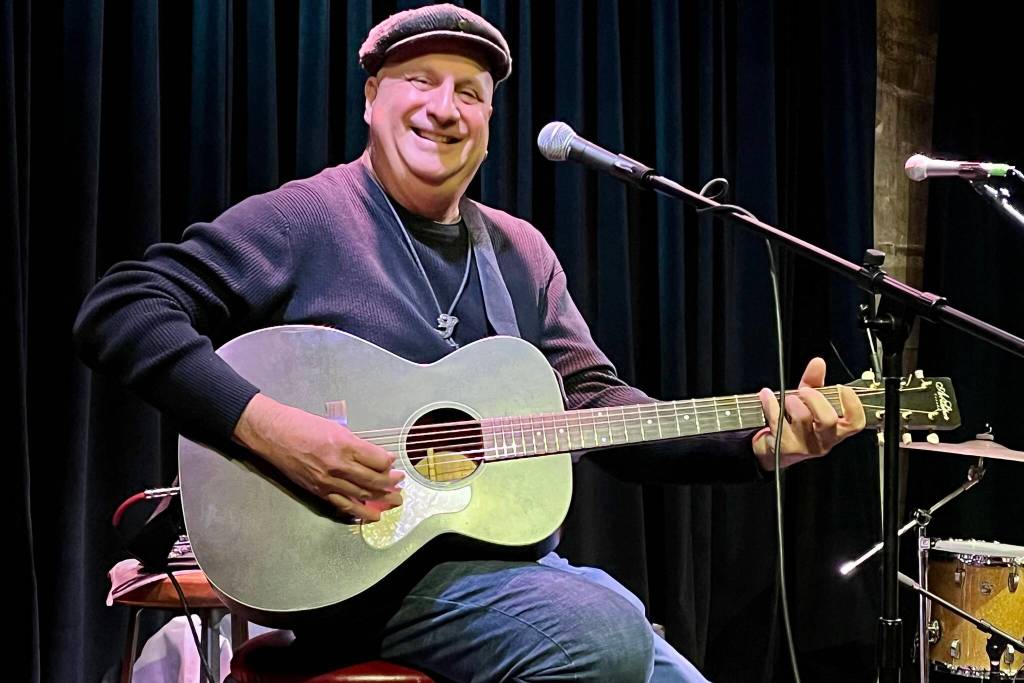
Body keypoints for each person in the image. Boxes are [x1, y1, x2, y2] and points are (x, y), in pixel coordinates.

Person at [74, 5, 865, 681]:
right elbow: (122, 307)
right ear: (372, 99)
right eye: (420, 81)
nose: (444, 108)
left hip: (514, 578)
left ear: (489, 125)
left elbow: (594, 403)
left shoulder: (520, 252)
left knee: (624, 636)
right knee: (605, 630)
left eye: (470, 93)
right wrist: (270, 428)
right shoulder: (307, 218)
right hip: (358, 581)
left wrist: (754, 443)